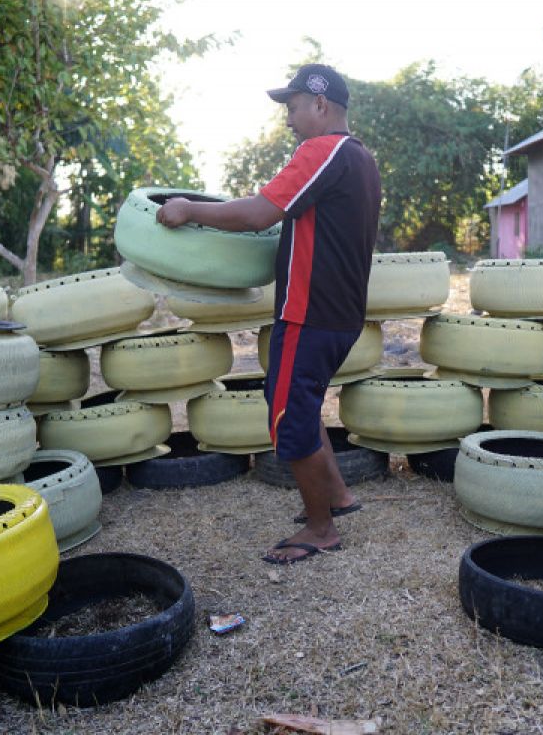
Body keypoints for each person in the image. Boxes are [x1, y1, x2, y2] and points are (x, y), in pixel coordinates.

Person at [156, 64, 382, 564]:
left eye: (293, 106)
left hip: (310, 311)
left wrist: (190, 209)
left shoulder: (321, 151)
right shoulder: (362, 158)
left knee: (288, 412)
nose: (288, 119)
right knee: (304, 401)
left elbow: (260, 212)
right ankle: (339, 497)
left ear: (321, 105)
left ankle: (321, 530)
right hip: (339, 311)